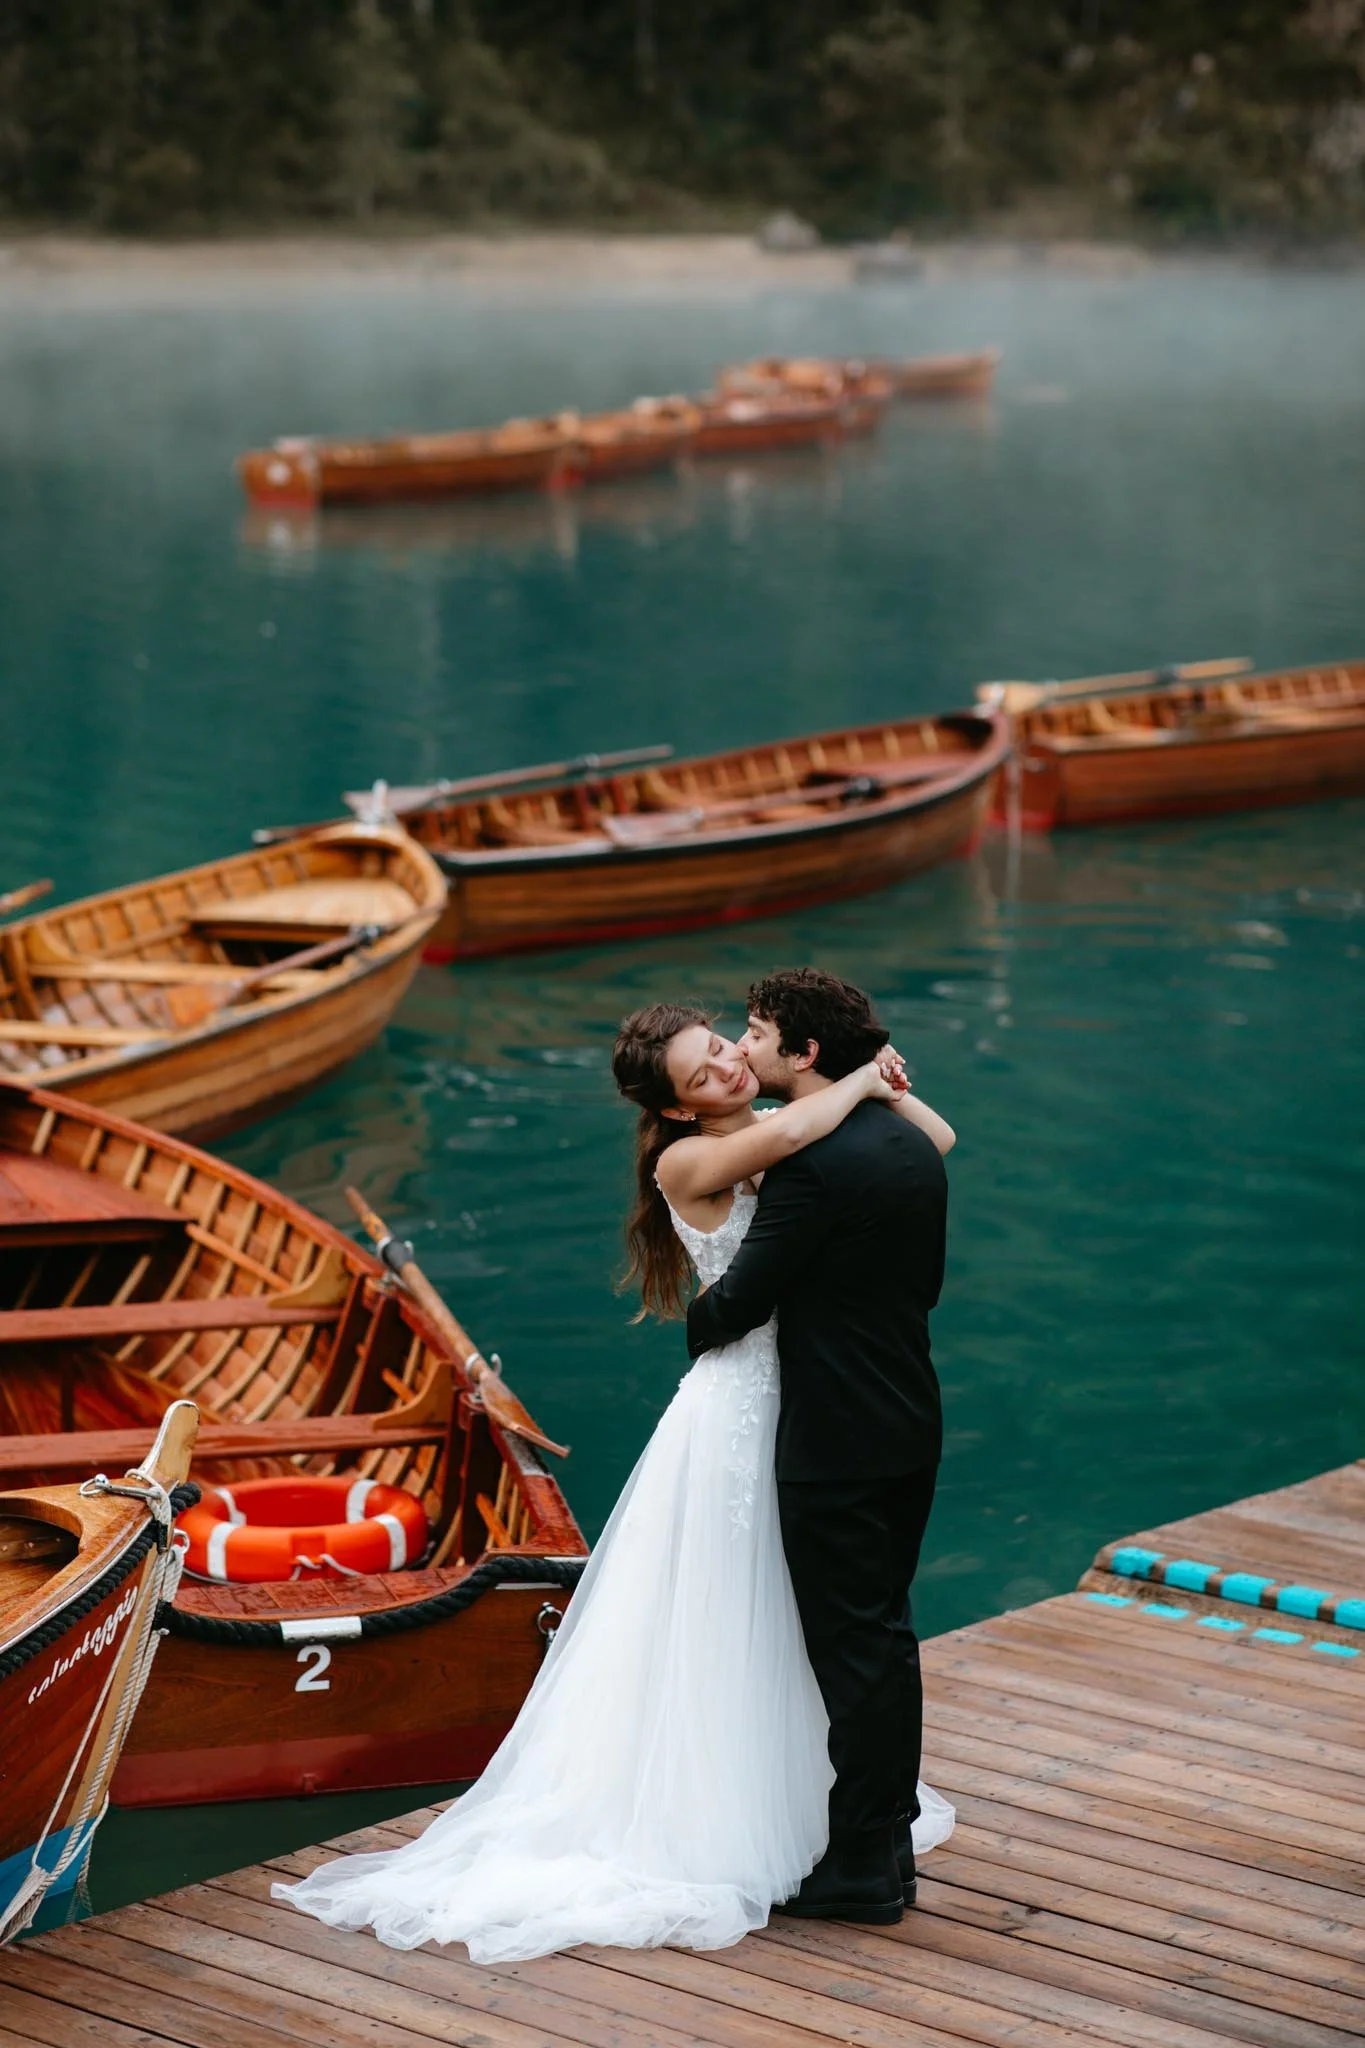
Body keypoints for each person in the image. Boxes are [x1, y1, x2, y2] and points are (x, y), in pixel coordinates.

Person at [272, 989, 954, 1964]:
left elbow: (890, 1137)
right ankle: (744, 1823)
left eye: (724, 1046)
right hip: (740, 1408)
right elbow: (803, 1123)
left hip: (803, 1402)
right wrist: (856, 1075)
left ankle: (825, 1819)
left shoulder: (785, 1123)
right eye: (701, 1071)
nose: (724, 1065)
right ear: (674, 1107)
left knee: (798, 1616)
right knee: (732, 1605)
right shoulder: (691, 1155)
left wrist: (875, 1086)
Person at [688, 968, 950, 1924]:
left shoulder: (811, 1166)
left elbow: (739, 1302)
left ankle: (863, 1870)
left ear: (803, 1055)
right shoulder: (910, 1146)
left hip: (836, 1438)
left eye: (756, 1034)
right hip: (908, 1416)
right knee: (884, 1640)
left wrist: (694, 1317)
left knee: (854, 1654)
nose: (743, 1048)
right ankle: (882, 1844)